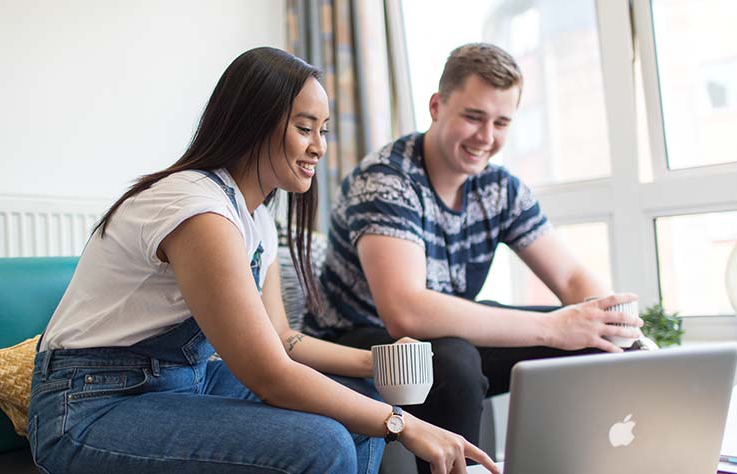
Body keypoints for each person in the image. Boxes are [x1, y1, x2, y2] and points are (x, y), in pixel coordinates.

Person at [27, 47, 500, 474]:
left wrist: (378, 364)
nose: (320, 146)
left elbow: (282, 339)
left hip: (184, 381)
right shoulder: (197, 209)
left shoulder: (254, 217)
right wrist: (402, 424)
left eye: (323, 130)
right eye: (304, 128)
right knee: (324, 442)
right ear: (254, 123)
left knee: (360, 404)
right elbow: (269, 373)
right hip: (92, 402)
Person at [303, 43, 643, 473]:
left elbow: (571, 276)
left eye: (501, 122)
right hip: (356, 339)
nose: (486, 137)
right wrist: (555, 326)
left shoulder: (499, 188)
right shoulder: (385, 180)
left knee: (593, 343)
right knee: (454, 361)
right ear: (436, 106)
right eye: (473, 117)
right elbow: (406, 312)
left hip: (442, 334)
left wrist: (614, 328)